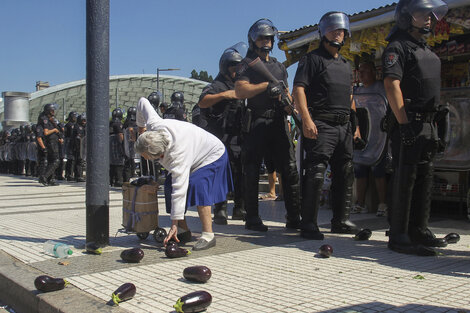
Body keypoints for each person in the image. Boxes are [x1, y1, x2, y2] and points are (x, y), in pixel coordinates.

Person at [382, 0, 449, 255]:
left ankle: (419, 229)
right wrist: (404, 124)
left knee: (425, 177)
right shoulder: (397, 47)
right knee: (405, 178)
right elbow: (391, 85)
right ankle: (399, 235)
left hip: (429, 123)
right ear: (406, 17)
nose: (429, 18)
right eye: (422, 14)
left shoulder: (424, 48)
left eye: (431, 14)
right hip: (408, 122)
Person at [293, 12, 361, 240]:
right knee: (316, 173)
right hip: (321, 123)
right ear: (323, 32)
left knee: (346, 172)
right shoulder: (311, 60)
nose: (338, 33)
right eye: (333, 29)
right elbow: (299, 89)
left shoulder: (346, 64)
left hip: (344, 127)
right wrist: (306, 119)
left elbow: (350, 95)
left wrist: (356, 125)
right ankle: (309, 223)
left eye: (341, 30)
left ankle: (340, 220)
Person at [136, 97, 232, 251]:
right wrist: (141, 129)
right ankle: (183, 231)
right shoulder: (155, 125)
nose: (145, 159)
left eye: (147, 157)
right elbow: (142, 102)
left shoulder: (177, 155)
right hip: (194, 153)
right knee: (168, 185)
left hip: (212, 154)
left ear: (159, 154)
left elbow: (180, 189)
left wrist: (172, 223)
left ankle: (208, 235)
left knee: (198, 184)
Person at [235, 18, 301, 232]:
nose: (266, 41)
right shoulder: (247, 63)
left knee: (289, 169)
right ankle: (252, 218)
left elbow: (287, 91)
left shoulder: (279, 66)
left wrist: (291, 109)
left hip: (279, 121)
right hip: (257, 120)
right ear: (254, 40)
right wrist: (265, 86)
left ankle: (293, 217)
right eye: (262, 38)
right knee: (252, 170)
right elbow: (240, 91)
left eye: (269, 38)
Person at [197, 42, 247, 224]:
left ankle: (240, 208)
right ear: (226, 67)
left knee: (240, 172)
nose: (238, 71)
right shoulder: (217, 85)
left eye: (240, 67)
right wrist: (225, 95)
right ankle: (221, 209)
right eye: (235, 67)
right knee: (221, 173)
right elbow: (203, 101)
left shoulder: (240, 85)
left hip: (237, 137)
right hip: (220, 138)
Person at [352, 61, 388, 217]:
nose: (361, 74)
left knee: (379, 171)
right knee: (360, 171)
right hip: (363, 137)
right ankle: (360, 203)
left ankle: (383, 204)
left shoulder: (382, 88)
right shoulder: (357, 91)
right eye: (360, 71)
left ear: (374, 72)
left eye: (365, 71)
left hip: (380, 136)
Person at [37, 103, 62, 186]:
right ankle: (44, 176)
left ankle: (50, 179)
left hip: (53, 142)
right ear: (48, 110)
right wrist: (55, 130)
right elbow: (46, 132)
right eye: (52, 110)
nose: (53, 111)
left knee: (51, 161)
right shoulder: (45, 119)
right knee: (56, 161)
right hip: (51, 143)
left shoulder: (48, 119)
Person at [109, 108, 125, 187]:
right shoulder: (118, 124)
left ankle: (111, 180)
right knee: (119, 162)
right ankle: (119, 180)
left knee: (111, 163)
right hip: (116, 143)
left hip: (110, 144)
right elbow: (120, 134)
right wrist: (123, 145)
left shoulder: (110, 123)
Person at [123, 106, 138, 182]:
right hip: (131, 145)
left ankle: (127, 178)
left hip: (126, 145)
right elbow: (131, 130)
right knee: (132, 161)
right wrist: (134, 138)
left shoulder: (126, 122)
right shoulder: (131, 122)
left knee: (128, 161)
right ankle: (132, 175)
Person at [64, 112, 78, 181]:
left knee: (74, 159)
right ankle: (69, 174)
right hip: (69, 142)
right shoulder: (68, 125)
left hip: (74, 142)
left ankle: (73, 174)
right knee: (71, 159)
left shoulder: (76, 125)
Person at [73, 114, 86, 182]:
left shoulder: (79, 126)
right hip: (78, 146)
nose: (84, 122)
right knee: (79, 161)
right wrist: (79, 148)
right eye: (83, 120)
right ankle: (79, 176)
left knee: (78, 161)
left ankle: (77, 175)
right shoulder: (79, 127)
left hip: (78, 146)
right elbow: (78, 138)